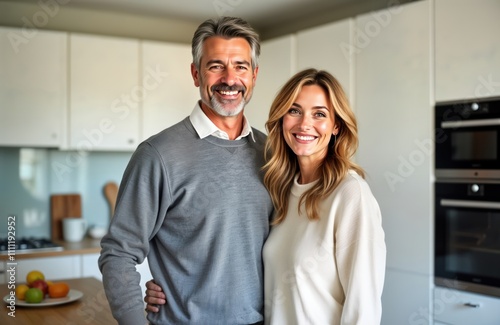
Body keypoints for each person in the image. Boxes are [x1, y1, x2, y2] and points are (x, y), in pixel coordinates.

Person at [145, 68, 386, 324]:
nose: (305, 124)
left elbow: (364, 306)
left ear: (336, 125)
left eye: (319, 114)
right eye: (294, 110)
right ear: (282, 118)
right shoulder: (282, 188)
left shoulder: (349, 194)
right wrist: (174, 287)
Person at [98, 16, 274, 325]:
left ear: (254, 75)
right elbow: (118, 253)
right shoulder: (158, 155)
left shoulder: (271, 153)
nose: (230, 79)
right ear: (196, 73)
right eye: (216, 65)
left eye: (241, 66)